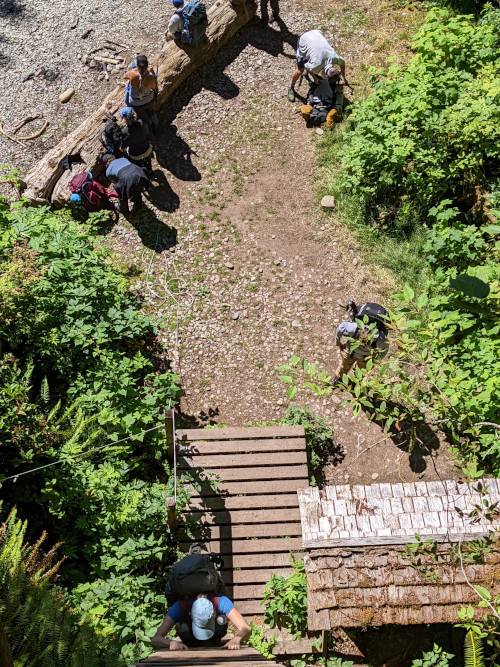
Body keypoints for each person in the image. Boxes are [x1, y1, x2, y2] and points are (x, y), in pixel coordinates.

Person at [150, 592, 251, 651]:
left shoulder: (221, 602)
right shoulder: (180, 607)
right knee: (183, 626)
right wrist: (170, 643)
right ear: (190, 613)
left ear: (214, 612)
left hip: (215, 642)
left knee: (222, 621)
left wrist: (237, 638)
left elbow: (246, 628)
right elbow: (155, 639)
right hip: (189, 646)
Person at [331, 301, 389, 386]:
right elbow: (342, 326)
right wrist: (337, 340)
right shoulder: (355, 328)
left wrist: (377, 360)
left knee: (361, 370)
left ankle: (357, 379)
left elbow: (385, 349)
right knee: (345, 366)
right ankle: (338, 377)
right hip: (352, 353)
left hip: (362, 357)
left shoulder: (379, 338)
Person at [288, 30, 346, 102]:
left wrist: (344, 77)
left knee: (312, 61)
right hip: (304, 40)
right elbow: (307, 67)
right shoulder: (316, 65)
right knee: (300, 70)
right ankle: (291, 87)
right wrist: (314, 78)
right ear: (326, 76)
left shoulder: (335, 58)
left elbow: (343, 63)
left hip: (316, 33)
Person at [123, 55, 159, 128]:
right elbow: (154, 87)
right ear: (147, 66)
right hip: (149, 100)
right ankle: (157, 127)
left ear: (137, 66)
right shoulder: (150, 77)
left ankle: (147, 130)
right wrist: (151, 72)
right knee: (152, 112)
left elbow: (124, 76)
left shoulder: (132, 74)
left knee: (142, 117)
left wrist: (133, 70)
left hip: (136, 103)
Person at [120, 107, 153, 173]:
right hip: (146, 149)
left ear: (124, 119)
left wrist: (121, 146)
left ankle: (143, 170)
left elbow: (124, 145)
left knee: (138, 162)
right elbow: (147, 133)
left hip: (135, 154)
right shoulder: (141, 123)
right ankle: (149, 168)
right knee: (148, 158)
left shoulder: (124, 132)